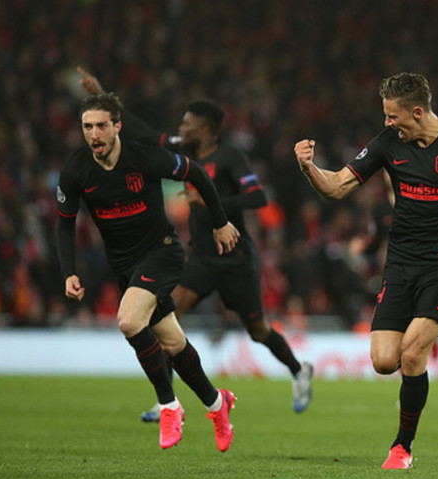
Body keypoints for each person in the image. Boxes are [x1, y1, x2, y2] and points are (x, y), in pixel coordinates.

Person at [77, 67, 314, 420]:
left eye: (187, 123)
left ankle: (299, 371)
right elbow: (141, 131)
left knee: (258, 329)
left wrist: (217, 202)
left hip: (236, 259)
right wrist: (104, 95)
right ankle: (167, 399)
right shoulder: (179, 149)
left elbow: (258, 196)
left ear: (204, 128)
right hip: (200, 258)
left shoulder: (230, 157)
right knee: (168, 319)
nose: (180, 129)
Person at [294, 72, 438, 469]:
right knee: (384, 361)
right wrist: (308, 168)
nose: (387, 123)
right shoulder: (387, 144)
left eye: (393, 116)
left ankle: (402, 447)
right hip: (401, 262)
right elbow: (337, 187)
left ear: (417, 112)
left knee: (410, 354)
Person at [56, 92, 241, 451]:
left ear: (117, 126)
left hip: (163, 253)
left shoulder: (142, 157)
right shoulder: (76, 170)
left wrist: (220, 223)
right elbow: (64, 224)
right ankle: (218, 404)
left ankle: (169, 406)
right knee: (173, 342)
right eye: (87, 127)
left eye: (101, 126)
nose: (94, 134)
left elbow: (197, 173)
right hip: (125, 266)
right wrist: (68, 271)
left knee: (128, 321)